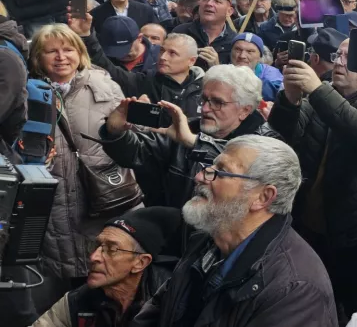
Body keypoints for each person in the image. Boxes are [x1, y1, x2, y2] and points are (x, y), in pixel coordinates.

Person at [129, 135, 337, 326]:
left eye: (218, 172)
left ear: (262, 197)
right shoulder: (208, 240)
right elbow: (161, 309)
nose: (200, 176)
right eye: (208, 167)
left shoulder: (294, 289)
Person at [268, 31, 357, 327]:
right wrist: (289, 100)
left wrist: (315, 89)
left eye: (350, 58)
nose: (339, 62)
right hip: (309, 225)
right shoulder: (319, 97)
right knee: (306, 303)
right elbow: (284, 138)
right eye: (338, 55)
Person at [22, 24, 132, 313]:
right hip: (52, 205)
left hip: (99, 199)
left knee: (103, 288)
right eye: (51, 51)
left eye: (68, 49)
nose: (61, 57)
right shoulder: (26, 92)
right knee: (58, 296)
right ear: (37, 58)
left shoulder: (104, 85)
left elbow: (129, 139)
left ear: (80, 53)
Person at [98, 64, 274, 210]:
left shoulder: (267, 141)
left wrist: (194, 142)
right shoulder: (189, 127)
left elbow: (243, 167)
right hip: (178, 233)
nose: (205, 109)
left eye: (217, 102)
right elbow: (136, 154)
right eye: (204, 99)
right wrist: (115, 132)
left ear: (245, 110)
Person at [31, 207, 181, 327]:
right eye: (96, 246)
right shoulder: (78, 300)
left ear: (140, 263)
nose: (94, 257)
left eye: (112, 249)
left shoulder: (172, 303)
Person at [69, 12, 204, 120]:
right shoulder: (145, 81)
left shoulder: (206, 88)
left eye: (172, 53)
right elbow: (109, 70)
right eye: (162, 50)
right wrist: (86, 36)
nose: (163, 57)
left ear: (191, 61)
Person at [173, 0, 236, 70]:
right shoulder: (181, 33)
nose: (209, 3)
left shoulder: (234, 42)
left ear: (229, 11)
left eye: (217, 1)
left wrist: (216, 68)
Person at [231, 32, 283, 102]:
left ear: (260, 56)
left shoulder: (271, 74)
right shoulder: (222, 71)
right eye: (238, 50)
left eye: (250, 51)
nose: (242, 56)